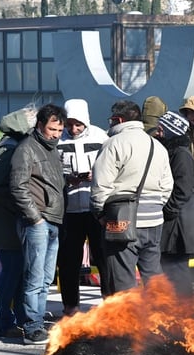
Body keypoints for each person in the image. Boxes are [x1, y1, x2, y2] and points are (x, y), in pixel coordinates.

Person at [91, 100, 173, 295]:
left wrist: (100, 214)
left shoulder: (113, 144)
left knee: (122, 279)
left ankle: (129, 324)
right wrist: (153, 206)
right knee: (153, 276)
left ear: (118, 119)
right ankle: (161, 318)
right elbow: (167, 185)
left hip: (120, 219)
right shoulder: (157, 146)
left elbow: (101, 185)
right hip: (154, 220)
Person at [9, 103, 66, 345]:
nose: (56, 134)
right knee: (34, 278)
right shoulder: (27, 149)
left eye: (60, 130)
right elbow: (17, 186)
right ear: (40, 125)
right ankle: (32, 326)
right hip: (38, 222)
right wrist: (36, 217)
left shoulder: (52, 150)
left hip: (53, 220)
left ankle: (37, 322)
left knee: (44, 279)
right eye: (52, 129)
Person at [0, 106, 36, 338]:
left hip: (9, 220)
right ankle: (2, 321)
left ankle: (16, 318)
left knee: (17, 272)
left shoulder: (12, 146)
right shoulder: (8, 149)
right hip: (5, 222)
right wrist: (20, 207)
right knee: (12, 271)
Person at [56, 99, 109, 314]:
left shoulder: (100, 137)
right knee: (69, 261)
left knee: (103, 257)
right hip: (69, 209)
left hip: (95, 207)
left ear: (86, 121)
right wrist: (68, 178)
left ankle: (109, 303)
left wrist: (95, 176)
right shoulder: (58, 138)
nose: (73, 129)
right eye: (69, 124)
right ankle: (70, 306)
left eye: (78, 124)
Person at [156, 111, 194, 297]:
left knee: (177, 270)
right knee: (172, 269)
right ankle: (178, 310)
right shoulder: (173, 153)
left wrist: (166, 211)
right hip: (178, 222)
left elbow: (183, 190)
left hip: (180, 224)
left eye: (162, 128)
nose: (158, 131)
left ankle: (182, 310)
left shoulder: (180, 155)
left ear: (172, 131)